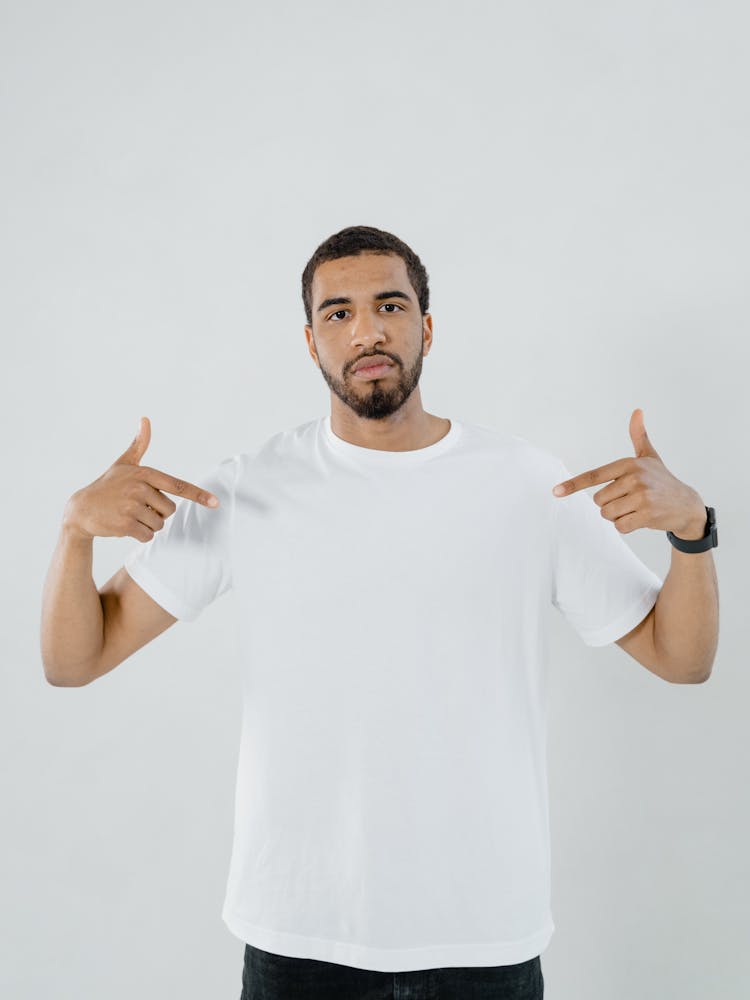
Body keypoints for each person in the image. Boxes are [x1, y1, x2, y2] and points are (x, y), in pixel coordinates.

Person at [42, 224, 675, 999]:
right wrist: (75, 531)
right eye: (338, 313)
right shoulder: (248, 489)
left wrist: (694, 534)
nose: (367, 330)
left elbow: (681, 655)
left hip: (481, 933)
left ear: (427, 327)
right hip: (301, 937)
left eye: (389, 305)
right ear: (311, 342)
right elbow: (75, 660)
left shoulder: (527, 485)